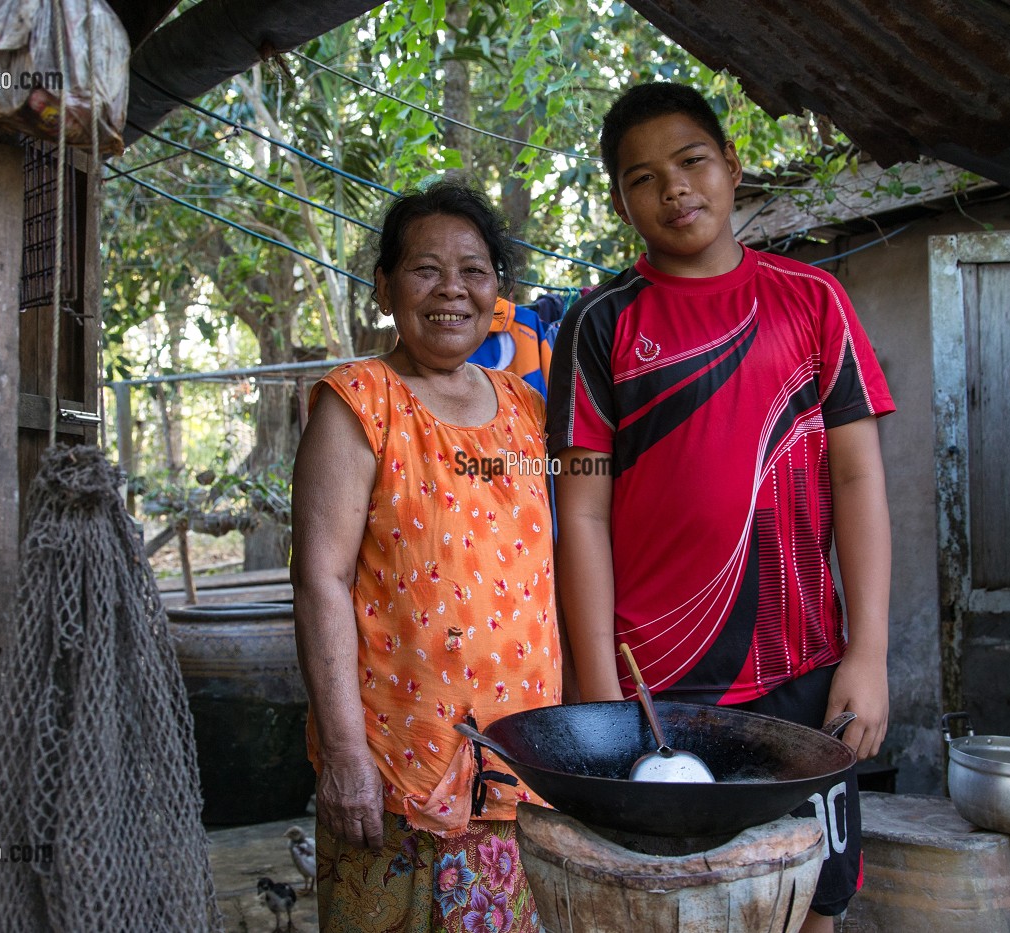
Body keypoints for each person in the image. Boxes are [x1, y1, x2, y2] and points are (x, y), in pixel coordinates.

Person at [547, 82, 893, 930]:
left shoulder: (815, 299)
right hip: (657, 688)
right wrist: (604, 705)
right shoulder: (598, 323)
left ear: (733, 166)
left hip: (803, 670)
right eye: (642, 178)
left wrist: (870, 652)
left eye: (691, 161)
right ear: (620, 203)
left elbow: (858, 479)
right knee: (674, 908)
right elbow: (580, 514)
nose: (673, 188)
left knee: (814, 901)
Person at [291, 181, 561, 933]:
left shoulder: (528, 409)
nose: (452, 289)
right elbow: (319, 580)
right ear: (384, 287)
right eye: (425, 269)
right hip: (393, 772)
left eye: (473, 270)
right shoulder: (358, 402)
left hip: (519, 769)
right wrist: (344, 753)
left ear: (497, 292)